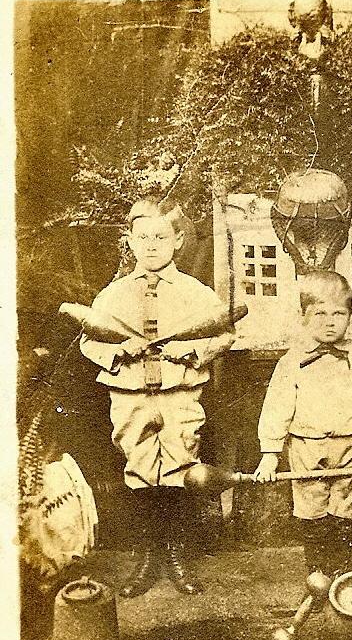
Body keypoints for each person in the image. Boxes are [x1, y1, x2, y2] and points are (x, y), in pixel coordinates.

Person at [79, 197, 235, 597]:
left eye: (161, 237)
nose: (151, 245)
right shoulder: (113, 295)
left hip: (179, 392)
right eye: (143, 237)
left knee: (181, 465)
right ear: (129, 240)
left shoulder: (194, 293)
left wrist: (195, 351)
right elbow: (89, 340)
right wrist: (118, 352)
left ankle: (178, 553)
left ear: (178, 240)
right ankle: (150, 556)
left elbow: (225, 332)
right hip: (131, 394)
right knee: (141, 468)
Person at [254, 269, 352, 577]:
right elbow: (276, 408)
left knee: (347, 509)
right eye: (319, 313)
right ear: (303, 316)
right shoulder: (291, 362)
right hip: (306, 448)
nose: (330, 321)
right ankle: (317, 570)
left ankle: (341, 568)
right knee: (311, 509)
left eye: (339, 313)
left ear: (351, 316)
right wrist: (269, 455)